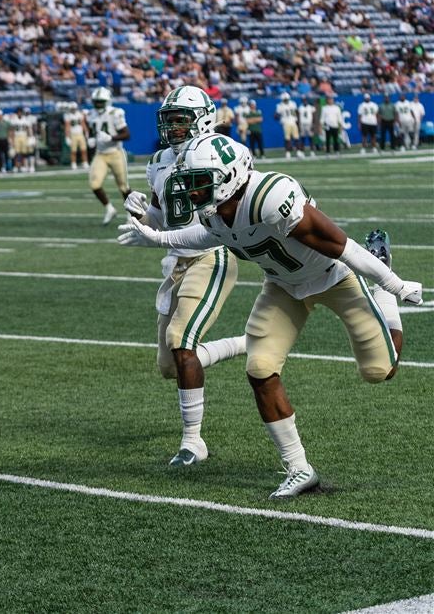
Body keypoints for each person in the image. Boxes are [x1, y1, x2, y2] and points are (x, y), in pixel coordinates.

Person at [119, 134, 423, 499]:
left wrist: (394, 284)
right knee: (260, 368)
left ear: (229, 176)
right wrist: (157, 237)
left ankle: (383, 298)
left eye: (200, 181)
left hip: (333, 278)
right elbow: (205, 235)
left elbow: (341, 245)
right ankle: (299, 467)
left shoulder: (271, 196)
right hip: (281, 286)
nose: (192, 191)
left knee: (380, 371)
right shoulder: (215, 209)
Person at [124, 86, 247, 466]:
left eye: (181, 120)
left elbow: (230, 214)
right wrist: (140, 214)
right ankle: (248, 342)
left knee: (181, 339)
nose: (173, 128)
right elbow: (164, 218)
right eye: (169, 121)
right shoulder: (160, 159)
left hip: (212, 255)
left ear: (203, 120)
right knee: (168, 364)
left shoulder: (216, 153)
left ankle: (193, 442)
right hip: (178, 262)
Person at [85, 87, 131, 225]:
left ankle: (131, 213)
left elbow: (127, 134)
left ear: (108, 101)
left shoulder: (115, 113)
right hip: (100, 154)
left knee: (123, 186)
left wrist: (112, 137)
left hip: (115, 152)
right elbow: (93, 132)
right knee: (94, 184)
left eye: (101, 102)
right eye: (96, 102)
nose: (98, 105)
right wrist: (91, 139)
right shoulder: (90, 114)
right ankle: (109, 209)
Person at [275, 92, 302, 158]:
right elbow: (276, 115)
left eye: (286, 99)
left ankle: (298, 151)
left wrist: (298, 122)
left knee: (296, 138)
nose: (286, 100)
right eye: (285, 99)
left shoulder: (291, 104)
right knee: (288, 138)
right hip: (286, 122)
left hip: (293, 122)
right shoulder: (281, 105)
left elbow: (296, 113)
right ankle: (288, 152)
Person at [63, 101, 88, 172]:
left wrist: (86, 132)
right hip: (73, 134)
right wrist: (67, 136)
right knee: (73, 151)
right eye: (72, 108)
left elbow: (83, 124)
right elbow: (67, 126)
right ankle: (73, 163)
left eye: (74, 108)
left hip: (80, 133)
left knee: (84, 149)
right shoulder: (67, 115)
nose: (73, 109)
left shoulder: (80, 114)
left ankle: (85, 162)